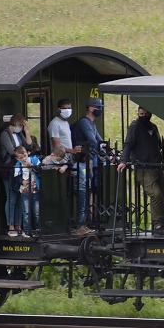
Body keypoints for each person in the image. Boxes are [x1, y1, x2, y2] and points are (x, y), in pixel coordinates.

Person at [118, 105, 164, 231]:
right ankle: (158, 224)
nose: (144, 116)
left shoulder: (153, 127)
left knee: (160, 195)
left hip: (156, 165)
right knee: (156, 194)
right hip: (144, 167)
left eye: (146, 114)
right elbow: (128, 144)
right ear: (138, 114)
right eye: (141, 114)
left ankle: (163, 219)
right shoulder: (135, 127)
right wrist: (124, 160)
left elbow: (158, 145)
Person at [71, 98, 106, 235]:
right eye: (98, 107)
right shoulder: (85, 122)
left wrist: (105, 150)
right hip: (84, 161)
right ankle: (82, 222)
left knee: (90, 189)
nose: (100, 110)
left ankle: (89, 219)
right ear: (91, 108)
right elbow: (93, 140)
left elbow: (99, 140)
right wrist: (102, 150)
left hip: (91, 160)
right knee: (84, 190)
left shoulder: (92, 123)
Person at [0, 114, 36, 236]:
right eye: (20, 125)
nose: (21, 128)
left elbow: (29, 146)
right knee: (12, 197)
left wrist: (27, 131)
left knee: (20, 197)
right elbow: (12, 151)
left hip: (21, 168)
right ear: (14, 124)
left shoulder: (19, 134)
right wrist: (23, 153)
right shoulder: (5, 134)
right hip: (10, 170)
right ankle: (11, 225)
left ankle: (19, 224)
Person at [14, 145, 41, 237]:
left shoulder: (34, 160)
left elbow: (40, 170)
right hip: (24, 191)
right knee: (26, 212)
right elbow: (16, 177)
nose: (24, 159)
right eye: (21, 158)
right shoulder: (18, 165)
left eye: (25, 156)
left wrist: (32, 166)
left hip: (35, 190)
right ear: (17, 158)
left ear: (27, 154)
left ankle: (38, 229)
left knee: (37, 211)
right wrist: (22, 181)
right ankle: (26, 230)